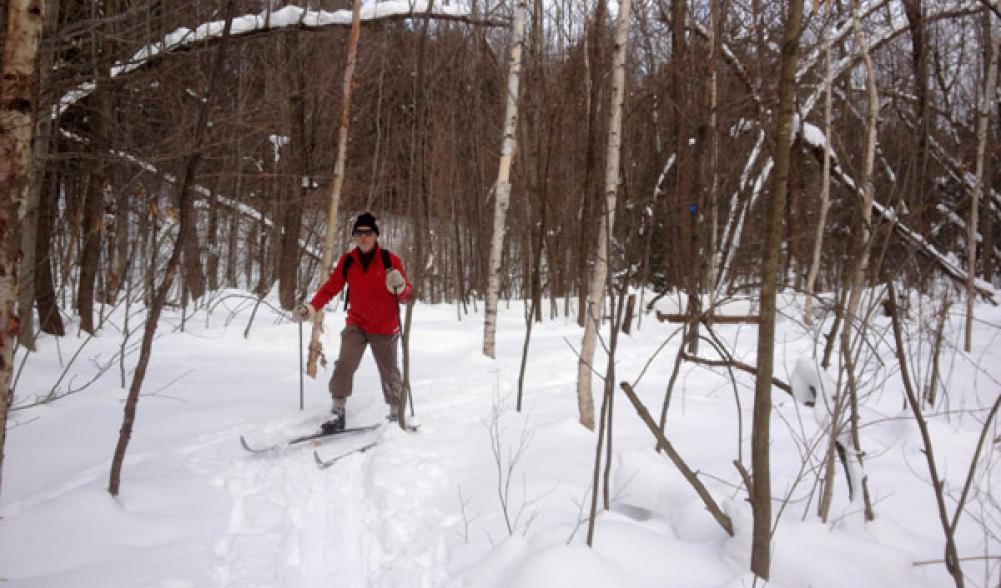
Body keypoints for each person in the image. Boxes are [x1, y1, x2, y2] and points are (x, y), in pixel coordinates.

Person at [293, 212, 412, 433]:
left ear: (376, 236)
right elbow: (330, 288)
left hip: (385, 326)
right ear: (354, 236)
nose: (363, 237)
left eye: (368, 233)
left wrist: (400, 287)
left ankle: (397, 413)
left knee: (389, 371)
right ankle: (338, 411)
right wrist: (310, 308)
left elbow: (406, 296)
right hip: (357, 323)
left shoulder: (390, 260)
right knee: (344, 364)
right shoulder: (349, 261)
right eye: (359, 233)